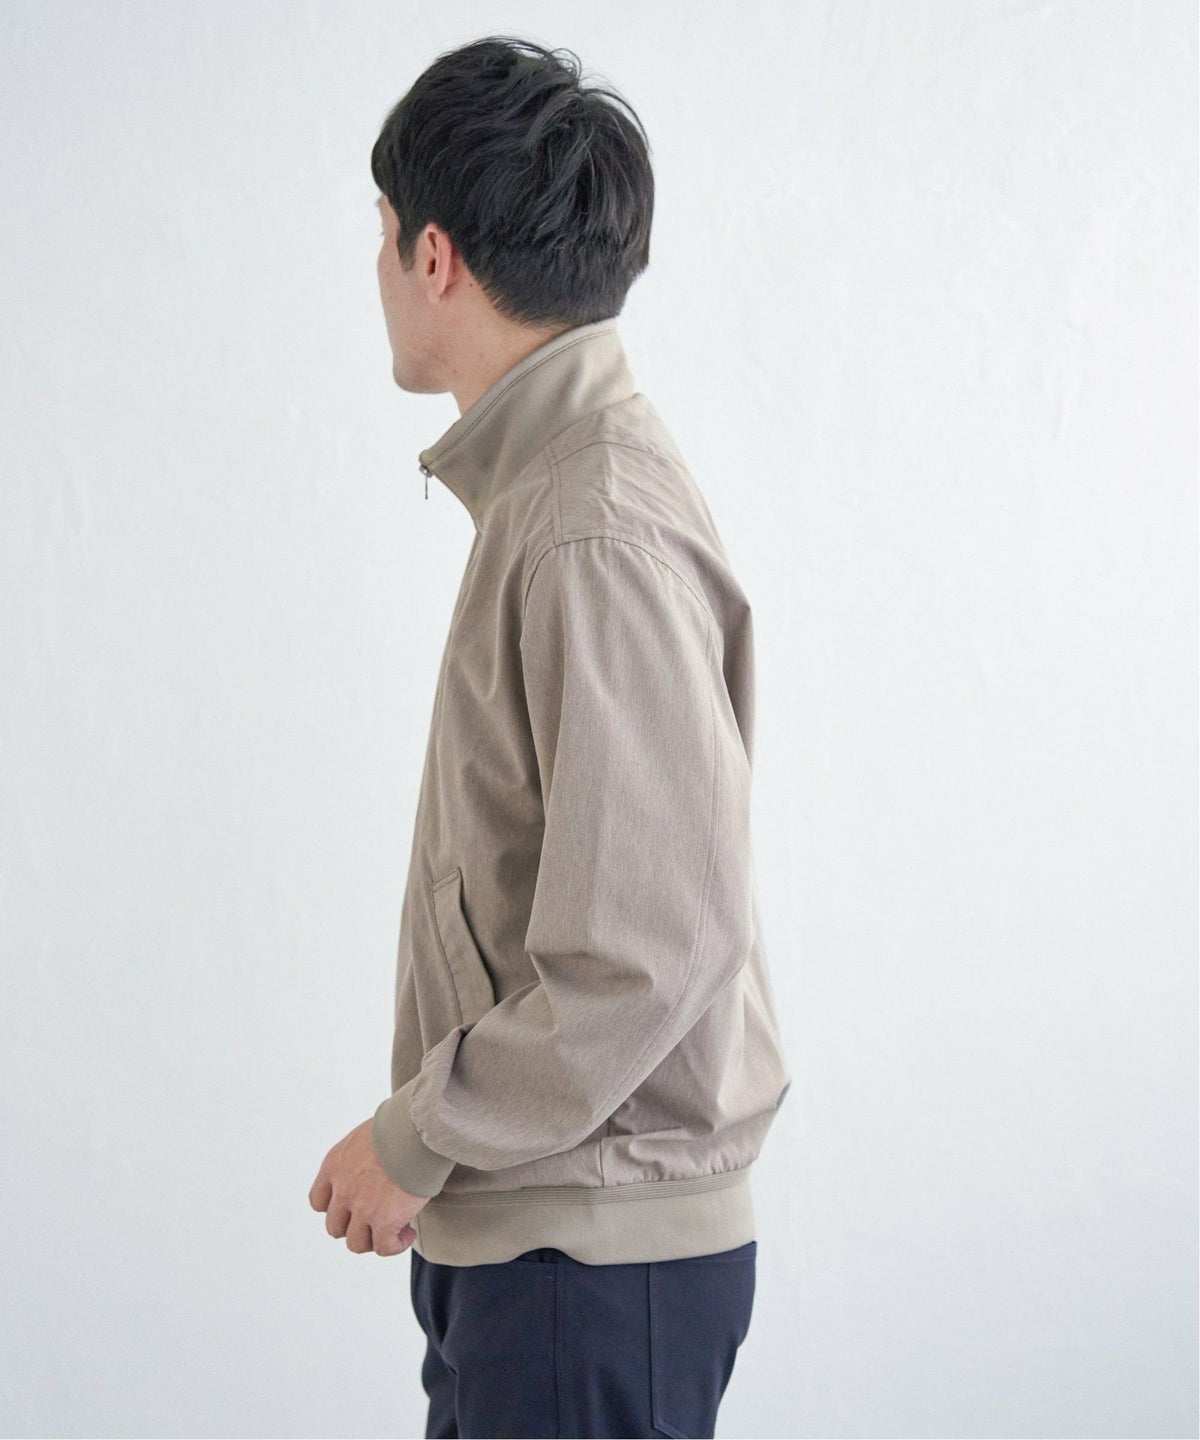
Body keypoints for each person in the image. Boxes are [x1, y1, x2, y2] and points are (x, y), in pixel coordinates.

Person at [308, 34, 792, 1439]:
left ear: (436, 256)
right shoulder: (554, 496)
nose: (379, 266)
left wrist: (416, 1134)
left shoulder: (589, 524)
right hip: (552, 1248)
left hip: (586, 1265)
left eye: (383, 232)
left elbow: (650, 942)